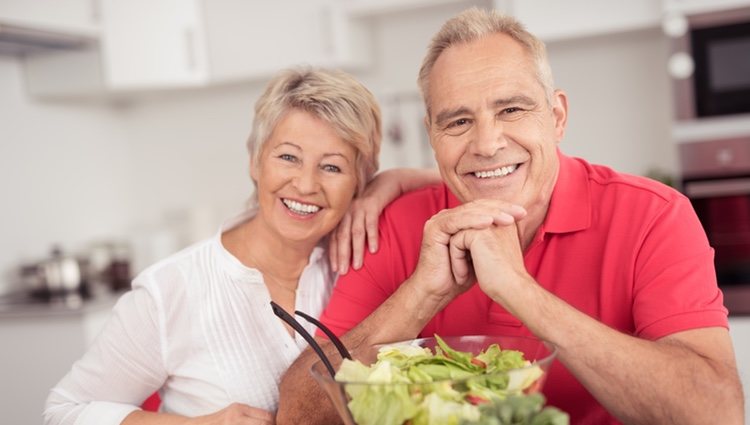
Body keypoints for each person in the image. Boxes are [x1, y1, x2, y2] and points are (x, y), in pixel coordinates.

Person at [276, 8, 745, 425]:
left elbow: (715, 413)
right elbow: (297, 416)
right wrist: (423, 291)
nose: (486, 143)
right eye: (458, 121)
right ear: (432, 135)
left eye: (512, 109)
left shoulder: (653, 217)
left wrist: (520, 292)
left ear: (557, 116)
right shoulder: (394, 225)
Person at [43, 67, 440, 425]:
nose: (305, 184)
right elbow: (64, 411)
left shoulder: (360, 259)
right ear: (254, 160)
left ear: (360, 180)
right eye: (288, 157)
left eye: (332, 166)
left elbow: (469, 178)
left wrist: (396, 179)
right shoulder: (170, 289)